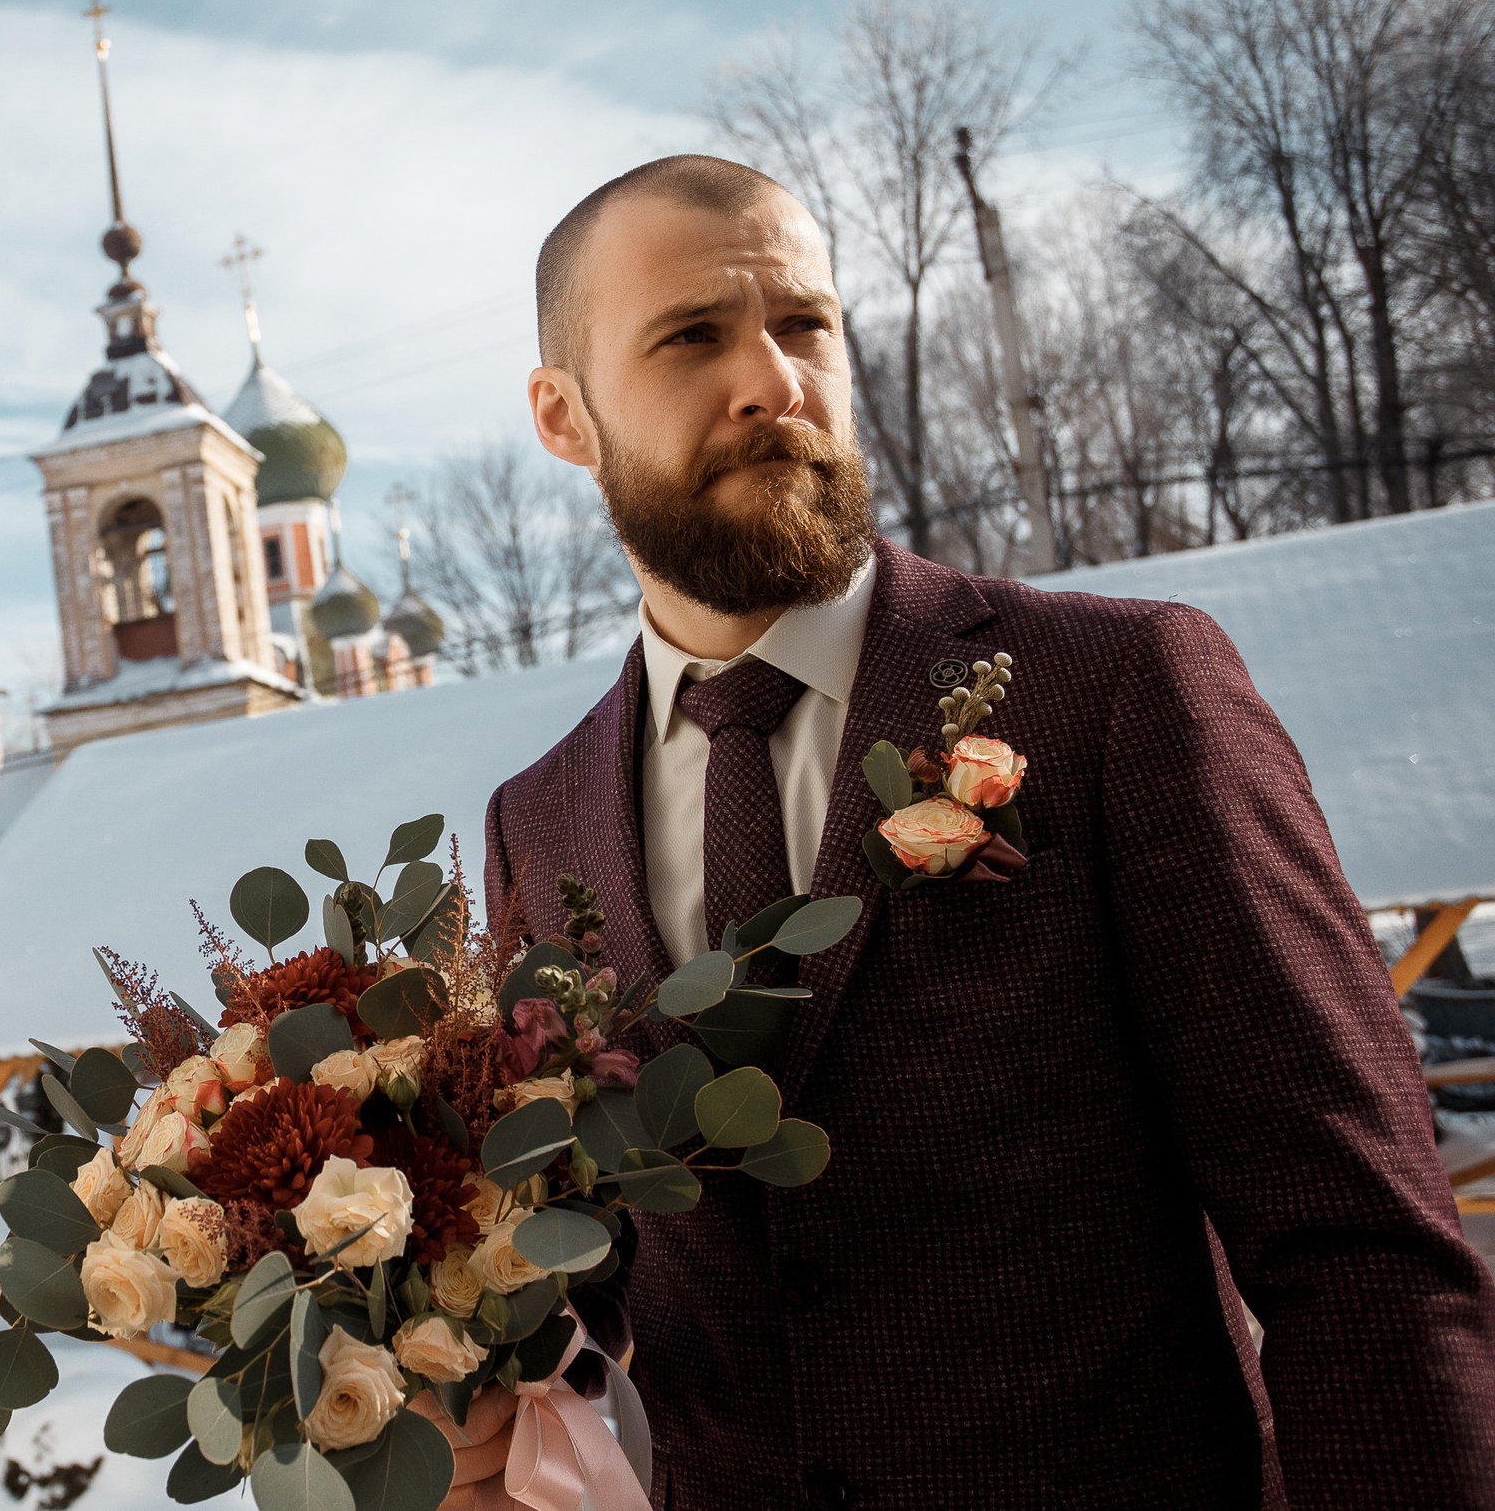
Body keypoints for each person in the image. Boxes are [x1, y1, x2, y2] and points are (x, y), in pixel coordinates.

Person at [481, 155, 1495, 1510]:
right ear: (565, 415)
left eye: (806, 324)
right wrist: (470, 1385)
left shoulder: (1121, 689)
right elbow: (592, 1263)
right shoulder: (533, 822)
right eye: (691, 337)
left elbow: (1360, 1242)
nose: (775, 381)